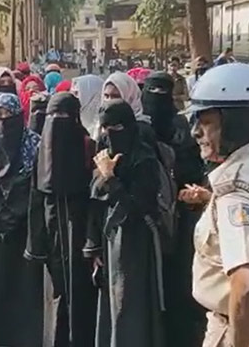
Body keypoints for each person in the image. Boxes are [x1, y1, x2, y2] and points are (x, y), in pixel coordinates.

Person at [87, 99, 165, 347]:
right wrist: (94, 247)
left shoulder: (144, 159)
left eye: (117, 127)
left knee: (130, 306)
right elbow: (95, 201)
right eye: (105, 127)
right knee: (111, 306)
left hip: (136, 241)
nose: (110, 133)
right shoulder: (104, 154)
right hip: (109, 240)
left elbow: (137, 206)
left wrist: (110, 177)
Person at [186, 63, 249, 347]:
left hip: (233, 329)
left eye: (206, 122)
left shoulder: (235, 189)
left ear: (236, 123)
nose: (195, 132)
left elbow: (246, 285)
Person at [141, 72, 206, 347]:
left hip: (183, 221)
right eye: (151, 92)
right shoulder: (139, 130)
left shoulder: (183, 129)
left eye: (162, 93)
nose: (156, 100)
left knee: (180, 287)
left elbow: (196, 168)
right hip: (148, 221)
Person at [0, 93, 43, 346]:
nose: (5, 121)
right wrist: (1, 208)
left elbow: (39, 182)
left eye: (10, 115)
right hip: (0, 224)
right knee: (3, 277)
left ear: (20, 116)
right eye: (0, 116)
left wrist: (17, 207)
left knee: (27, 280)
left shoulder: (35, 144)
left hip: (28, 222)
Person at [35, 92, 97, 346]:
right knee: (56, 292)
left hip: (81, 228)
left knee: (82, 292)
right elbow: (36, 195)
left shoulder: (88, 146)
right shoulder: (42, 149)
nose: (58, 121)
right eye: (54, 115)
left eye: (64, 115)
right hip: (53, 230)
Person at [71, 74, 104, 140]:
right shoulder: (71, 122)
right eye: (72, 93)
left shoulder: (104, 127)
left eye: (77, 93)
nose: (73, 97)